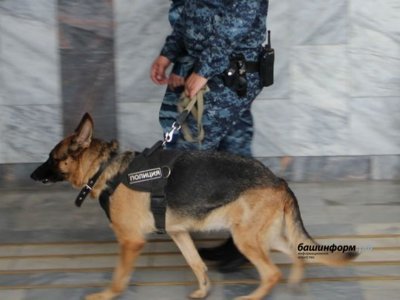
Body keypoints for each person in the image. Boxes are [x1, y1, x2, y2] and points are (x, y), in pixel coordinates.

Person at [151, 0, 270, 272]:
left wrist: (203, 70)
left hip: (229, 74)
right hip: (215, 73)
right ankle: (245, 237)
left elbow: (237, 22)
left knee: (192, 155)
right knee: (234, 155)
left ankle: (248, 237)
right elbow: (186, 13)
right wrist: (167, 55)